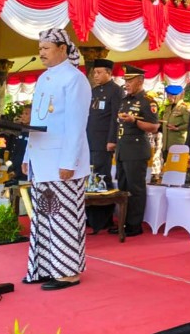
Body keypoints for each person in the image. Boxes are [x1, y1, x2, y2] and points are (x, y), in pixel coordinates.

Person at [21, 28, 91, 291]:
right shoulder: (44, 78)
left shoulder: (75, 79)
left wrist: (68, 163)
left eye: (46, 48)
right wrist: (28, 155)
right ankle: (45, 267)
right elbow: (36, 121)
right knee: (43, 217)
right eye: (40, 48)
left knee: (63, 218)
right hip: (41, 160)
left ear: (62, 48)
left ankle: (67, 273)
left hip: (62, 161)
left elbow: (76, 124)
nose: (41, 53)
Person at [112, 65, 160, 236]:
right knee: (123, 188)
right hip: (123, 150)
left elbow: (154, 127)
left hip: (136, 150)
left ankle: (134, 225)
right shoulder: (125, 100)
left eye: (130, 80)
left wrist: (135, 121)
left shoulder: (148, 101)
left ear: (140, 81)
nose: (126, 84)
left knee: (135, 188)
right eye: (125, 80)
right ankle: (123, 222)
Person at [85, 58, 123, 234]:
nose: (96, 75)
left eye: (99, 72)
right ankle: (91, 217)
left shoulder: (116, 90)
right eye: (94, 72)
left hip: (103, 141)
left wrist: (112, 139)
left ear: (109, 73)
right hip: (89, 140)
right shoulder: (93, 91)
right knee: (89, 178)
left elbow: (115, 117)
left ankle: (104, 219)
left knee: (101, 177)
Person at [161, 85, 190, 159]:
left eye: (171, 96)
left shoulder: (184, 107)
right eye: (168, 95)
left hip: (177, 143)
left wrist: (177, 128)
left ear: (178, 96)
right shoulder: (167, 107)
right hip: (165, 144)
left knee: (176, 164)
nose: (169, 98)